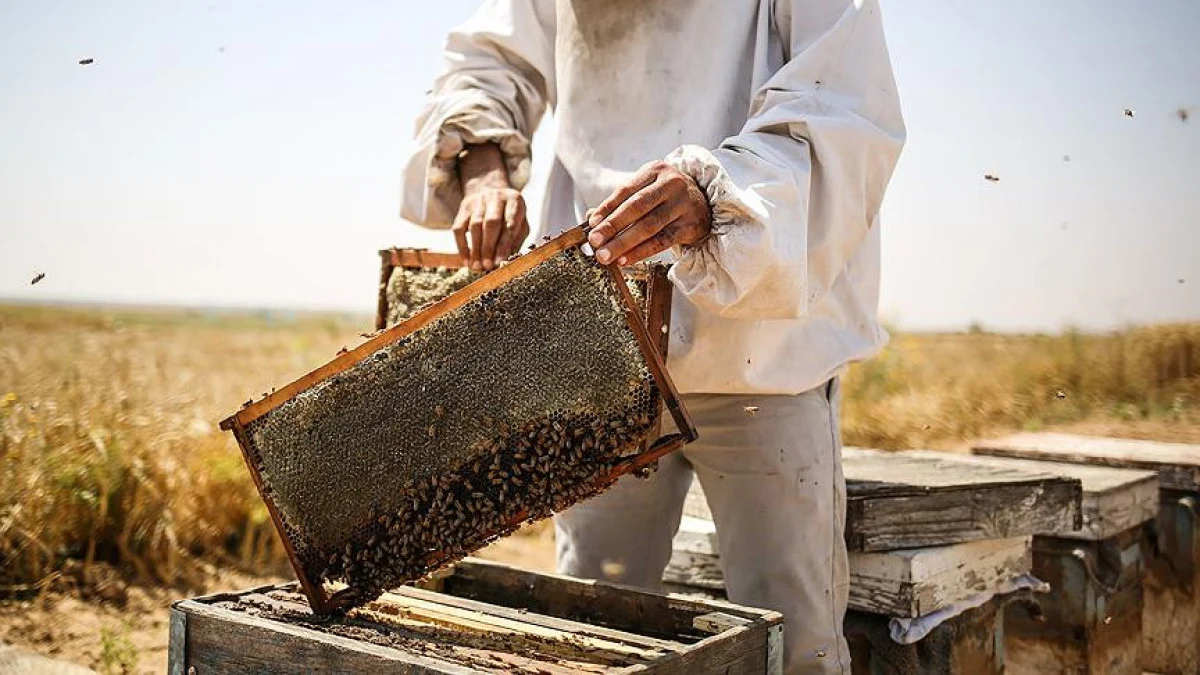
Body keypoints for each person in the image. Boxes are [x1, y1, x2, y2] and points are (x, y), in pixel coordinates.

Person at [400, 2, 904, 672]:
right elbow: (492, 59)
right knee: (591, 623)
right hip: (602, 346)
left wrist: (723, 199)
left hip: (764, 355)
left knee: (793, 635)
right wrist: (482, 163)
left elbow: (843, 112)